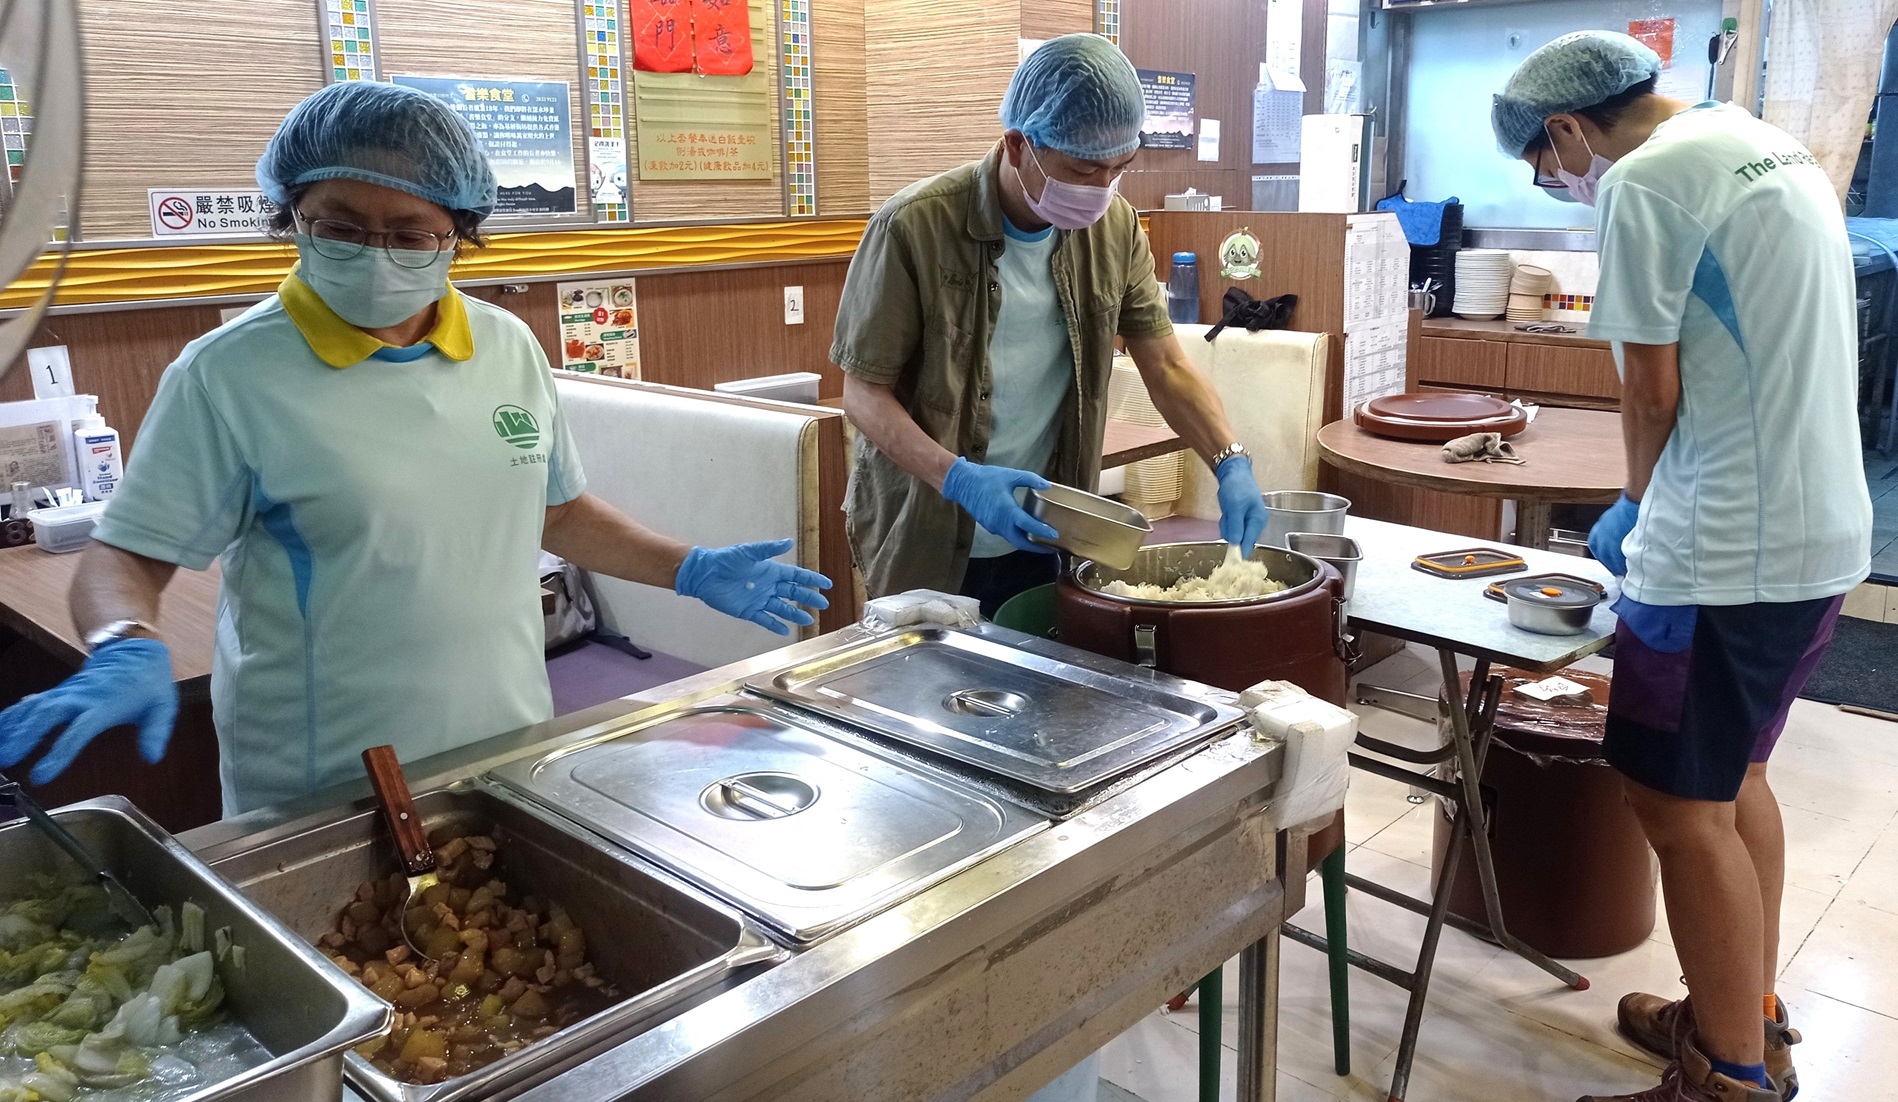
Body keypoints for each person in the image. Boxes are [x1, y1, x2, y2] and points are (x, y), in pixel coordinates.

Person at [0, 82, 830, 816]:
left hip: (505, 750)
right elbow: (128, 556)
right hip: (322, 784)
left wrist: (689, 570)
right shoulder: (229, 375)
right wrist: (124, 643)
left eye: (410, 231)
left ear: (458, 233)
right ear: (291, 214)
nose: (375, 251)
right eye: (341, 225)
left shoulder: (506, 346)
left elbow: (559, 512)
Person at [1493, 30, 1872, 1102]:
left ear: (1565, 127)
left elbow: (1648, 392)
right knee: (1736, 779)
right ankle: (1738, 1008)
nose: (1560, 185)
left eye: (1545, 165)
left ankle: (1728, 1078)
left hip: (1722, 549)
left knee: (1674, 805)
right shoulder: (1762, 145)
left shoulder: (1644, 183)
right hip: (1815, 533)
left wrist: (1627, 503)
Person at [832, 33, 1271, 616]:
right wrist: (961, 479)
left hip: (1052, 528)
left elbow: (1164, 364)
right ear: (1018, 145)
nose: (1102, 189)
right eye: (1083, 168)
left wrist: (1230, 458)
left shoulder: (1115, 229)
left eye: (1119, 168)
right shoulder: (914, 227)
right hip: (926, 530)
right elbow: (863, 393)